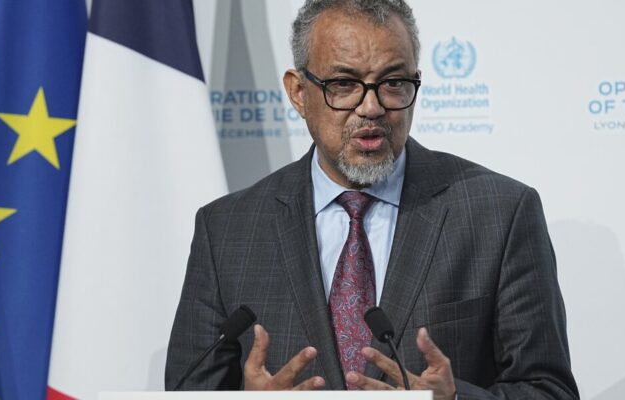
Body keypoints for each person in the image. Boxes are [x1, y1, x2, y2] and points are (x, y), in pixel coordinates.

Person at [166, 1, 579, 398]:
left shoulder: (499, 212)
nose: (372, 107)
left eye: (393, 84)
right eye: (343, 84)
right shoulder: (227, 229)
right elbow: (188, 391)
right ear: (297, 92)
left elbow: (548, 390)